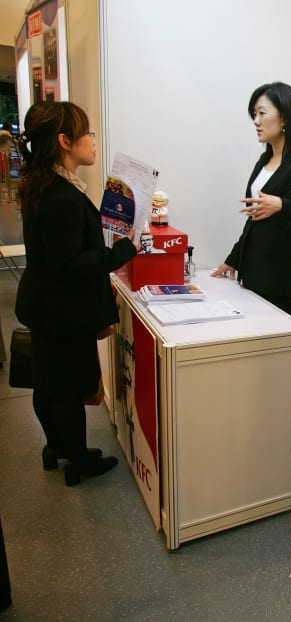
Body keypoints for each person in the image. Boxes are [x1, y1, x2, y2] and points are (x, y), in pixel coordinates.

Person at [14, 101, 140, 486]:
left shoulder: (44, 184)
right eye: (87, 133)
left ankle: (56, 447)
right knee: (67, 389)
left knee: (47, 381)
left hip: (44, 304)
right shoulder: (62, 197)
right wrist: (123, 250)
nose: (93, 140)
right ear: (65, 141)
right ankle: (78, 460)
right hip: (63, 310)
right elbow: (72, 263)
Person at [211, 82, 291, 320]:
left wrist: (282, 206)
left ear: (284, 118)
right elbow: (253, 221)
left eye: (262, 113)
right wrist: (233, 259)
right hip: (254, 272)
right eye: (254, 114)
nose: (256, 121)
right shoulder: (263, 161)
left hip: (282, 280)